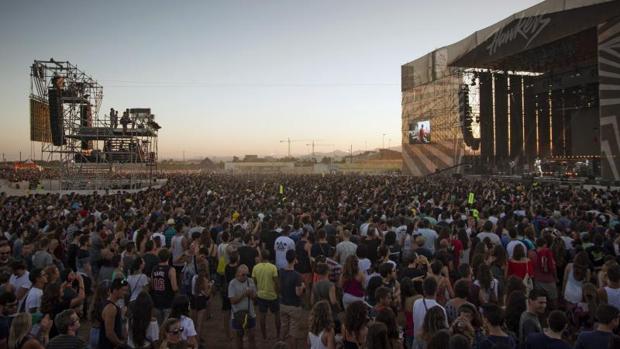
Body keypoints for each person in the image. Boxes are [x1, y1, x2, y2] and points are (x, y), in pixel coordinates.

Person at [251, 249, 280, 340]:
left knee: (262, 316)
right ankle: (278, 334)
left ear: (261, 257)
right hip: (272, 295)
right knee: (277, 314)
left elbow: (254, 281)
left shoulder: (256, 267)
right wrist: (278, 293)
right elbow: (276, 282)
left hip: (261, 295)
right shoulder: (273, 267)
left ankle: (264, 336)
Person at [279, 250, 305, 349]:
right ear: (295, 259)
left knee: (284, 328)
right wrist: (303, 287)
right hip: (294, 305)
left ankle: (279, 345)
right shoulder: (297, 275)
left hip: (283, 303)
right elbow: (298, 293)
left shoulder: (281, 271)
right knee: (293, 332)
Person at [228, 264, 257, 349]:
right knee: (238, 338)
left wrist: (251, 294)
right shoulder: (232, 284)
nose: (245, 276)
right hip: (237, 316)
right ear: (237, 273)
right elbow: (232, 301)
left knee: (252, 336)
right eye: (243, 274)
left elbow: (255, 297)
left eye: (247, 274)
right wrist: (244, 294)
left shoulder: (250, 281)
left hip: (250, 314)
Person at [413, 277, 447, 345]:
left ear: (423, 290)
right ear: (437, 290)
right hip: (432, 343)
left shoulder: (416, 303)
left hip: (418, 340)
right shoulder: (440, 309)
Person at [99, 278, 128, 349]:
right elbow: (109, 333)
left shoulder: (113, 305)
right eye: (123, 290)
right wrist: (120, 344)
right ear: (115, 290)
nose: (125, 293)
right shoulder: (111, 308)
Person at [151, 248, 178, 324]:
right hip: (168, 301)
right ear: (168, 257)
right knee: (167, 326)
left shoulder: (154, 269)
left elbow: (152, 286)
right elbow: (174, 287)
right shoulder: (171, 269)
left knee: (158, 326)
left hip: (157, 301)